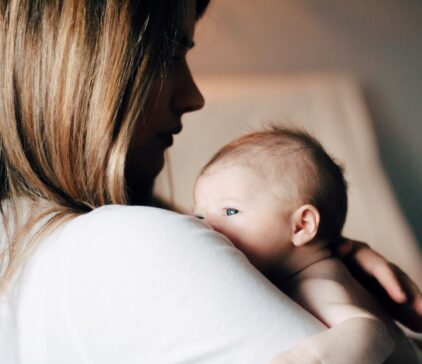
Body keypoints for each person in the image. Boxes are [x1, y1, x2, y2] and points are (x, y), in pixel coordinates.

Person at [0, 0, 421, 363]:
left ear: (302, 225)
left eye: (231, 212)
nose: (194, 97)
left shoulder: (21, 236)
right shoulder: (132, 243)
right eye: (168, 54)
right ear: (79, 68)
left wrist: (334, 250)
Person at [193, 126, 420, 363]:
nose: (206, 226)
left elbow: (371, 332)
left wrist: (307, 358)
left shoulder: (316, 283)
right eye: (199, 216)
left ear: (302, 226)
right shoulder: (303, 271)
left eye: (230, 211)